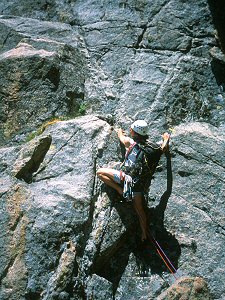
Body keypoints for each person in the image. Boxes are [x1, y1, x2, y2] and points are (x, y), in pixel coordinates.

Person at [97, 120, 170, 242]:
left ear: (133, 131)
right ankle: (144, 234)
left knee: (100, 172)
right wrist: (166, 139)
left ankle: (120, 190)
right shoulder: (153, 148)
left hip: (124, 178)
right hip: (138, 185)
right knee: (140, 210)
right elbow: (163, 148)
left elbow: (121, 137)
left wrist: (119, 131)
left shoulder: (131, 143)